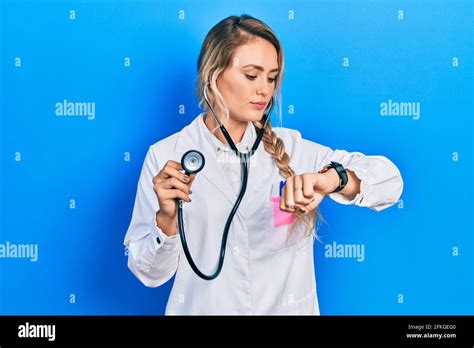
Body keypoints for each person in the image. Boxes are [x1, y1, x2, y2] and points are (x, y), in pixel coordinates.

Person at [123, 14, 403, 315]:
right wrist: (165, 220)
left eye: (271, 77)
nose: (265, 90)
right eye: (252, 75)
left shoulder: (293, 149)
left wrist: (333, 180)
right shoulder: (166, 156)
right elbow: (149, 274)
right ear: (212, 75)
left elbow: (391, 183)